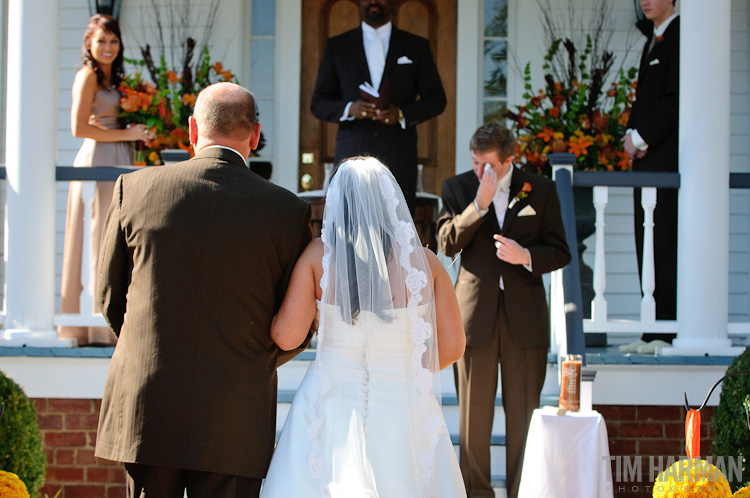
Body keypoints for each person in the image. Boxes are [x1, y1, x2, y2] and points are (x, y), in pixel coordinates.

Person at [94, 82, 313, 498]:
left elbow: (110, 298)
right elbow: (300, 321)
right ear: (254, 136)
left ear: (192, 131)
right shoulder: (288, 211)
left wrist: (153, 348)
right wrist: (253, 360)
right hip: (236, 408)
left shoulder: (134, 189)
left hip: (150, 405)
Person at [260, 156, 467, 497]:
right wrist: (406, 371)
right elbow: (454, 345)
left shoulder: (317, 257)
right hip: (403, 405)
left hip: (332, 401)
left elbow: (287, 337)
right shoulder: (427, 263)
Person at [437, 121, 570, 498]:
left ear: (510, 159)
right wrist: (479, 204)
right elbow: (446, 243)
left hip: (524, 319)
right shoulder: (458, 187)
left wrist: (526, 255)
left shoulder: (540, 190)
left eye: (488, 165)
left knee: (524, 419)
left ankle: (522, 492)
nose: (481, 171)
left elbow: (561, 250)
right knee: (472, 423)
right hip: (474, 318)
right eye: (476, 162)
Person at [59, 14, 152, 346]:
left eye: (113, 41)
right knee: (98, 235)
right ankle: (94, 327)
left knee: (117, 238)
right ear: (89, 43)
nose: (108, 47)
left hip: (120, 156)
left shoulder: (117, 81)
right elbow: (79, 128)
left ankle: (115, 318)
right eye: (101, 41)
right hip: (98, 157)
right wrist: (127, 131)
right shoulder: (87, 76)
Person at [310, 0, 446, 213]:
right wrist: (350, 109)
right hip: (351, 157)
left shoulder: (415, 45)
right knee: (349, 229)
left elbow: (437, 99)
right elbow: (318, 103)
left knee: (397, 235)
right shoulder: (338, 46)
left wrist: (401, 113)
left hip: (398, 157)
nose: (374, 2)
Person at [621, 0, 679, 354]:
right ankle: (651, 329)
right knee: (648, 239)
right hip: (646, 162)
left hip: (664, 160)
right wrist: (630, 133)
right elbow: (646, 99)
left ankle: (665, 329)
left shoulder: (680, 36)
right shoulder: (654, 38)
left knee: (665, 240)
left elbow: (675, 99)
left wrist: (640, 137)